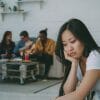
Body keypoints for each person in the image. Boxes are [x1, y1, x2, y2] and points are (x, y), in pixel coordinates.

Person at [55, 18, 100, 100]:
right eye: (65, 44)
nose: (69, 48)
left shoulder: (95, 56)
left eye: (72, 41)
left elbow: (79, 96)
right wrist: (74, 64)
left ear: (83, 38)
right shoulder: (78, 60)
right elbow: (68, 92)